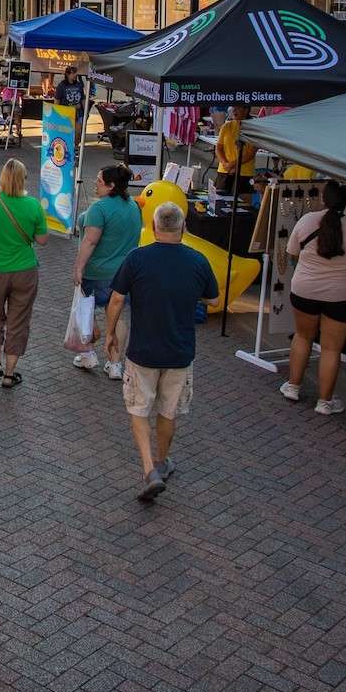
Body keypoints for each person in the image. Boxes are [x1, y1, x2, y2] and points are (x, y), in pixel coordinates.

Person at [107, 201, 221, 500]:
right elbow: (213, 299)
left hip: (143, 350)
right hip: (180, 351)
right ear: (183, 228)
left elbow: (117, 299)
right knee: (168, 411)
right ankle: (162, 460)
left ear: (155, 227)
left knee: (138, 409)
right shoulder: (197, 261)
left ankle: (149, 469)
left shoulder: (137, 258)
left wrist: (110, 333)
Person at [280, 180, 346, 415]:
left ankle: (293, 386)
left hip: (305, 290)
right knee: (331, 349)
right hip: (342, 295)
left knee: (302, 336)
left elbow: (292, 252)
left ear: (323, 199)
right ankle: (324, 402)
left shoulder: (307, 221)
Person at [0, 157, 47, 386]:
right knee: (18, 321)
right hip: (25, 271)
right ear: (24, 179)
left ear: (2, 178)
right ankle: (9, 375)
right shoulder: (34, 205)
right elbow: (42, 240)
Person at [75, 163, 144, 378]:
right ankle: (115, 364)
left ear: (111, 185)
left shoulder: (99, 209)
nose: (95, 184)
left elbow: (90, 241)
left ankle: (88, 353)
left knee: (85, 310)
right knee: (118, 318)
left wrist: (78, 267)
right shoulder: (134, 207)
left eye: (99, 181)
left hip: (96, 272)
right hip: (124, 273)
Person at [215, 103, 258, 195]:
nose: (234, 110)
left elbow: (250, 153)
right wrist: (225, 164)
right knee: (219, 199)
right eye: (233, 107)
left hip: (244, 173)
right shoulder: (226, 126)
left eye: (237, 108)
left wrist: (232, 164)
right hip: (224, 170)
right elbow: (218, 148)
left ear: (246, 110)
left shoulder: (255, 129)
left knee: (242, 202)